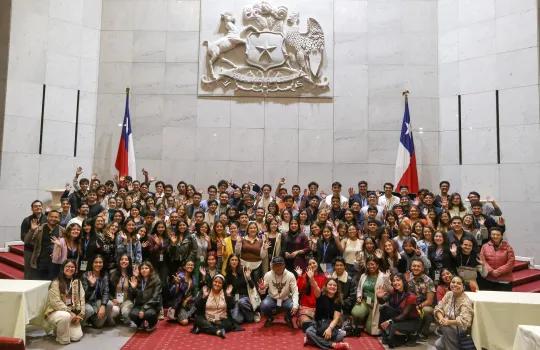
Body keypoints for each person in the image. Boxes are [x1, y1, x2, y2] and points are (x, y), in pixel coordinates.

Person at [44, 260, 85, 345]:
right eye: (67, 266)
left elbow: (82, 299)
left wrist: (80, 315)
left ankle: (59, 329)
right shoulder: (56, 282)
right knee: (65, 316)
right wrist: (70, 313)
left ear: (75, 269)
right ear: (63, 268)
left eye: (72, 267)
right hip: (55, 312)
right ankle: (62, 339)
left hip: (72, 313)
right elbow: (56, 303)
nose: (70, 268)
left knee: (76, 337)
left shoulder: (77, 282)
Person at [304, 278, 351, 350]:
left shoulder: (338, 300)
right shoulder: (320, 295)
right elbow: (315, 286)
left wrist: (329, 329)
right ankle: (333, 345)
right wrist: (311, 278)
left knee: (340, 336)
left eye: (334, 285)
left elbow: (336, 319)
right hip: (318, 324)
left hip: (331, 325)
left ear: (337, 288)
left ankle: (311, 341)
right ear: (326, 286)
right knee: (309, 331)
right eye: (330, 284)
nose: (332, 286)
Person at [377, 273, 421, 348]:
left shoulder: (411, 296)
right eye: (393, 281)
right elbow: (382, 302)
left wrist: (389, 321)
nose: (395, 282)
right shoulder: (393, 292)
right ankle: (385, 333)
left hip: (411, 321)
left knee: (391, 342)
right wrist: (379, 297)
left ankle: (411, 335)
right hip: (399, 317)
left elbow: (404, 315)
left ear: (403, 281)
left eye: (398, 280)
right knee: (383, 308)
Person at [351, 257, 391, 335]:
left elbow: (389, 291)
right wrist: (359, 297)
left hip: (376, 305)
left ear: (377, 265)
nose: (370, 266)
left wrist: (387, 280)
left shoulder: (383, 277)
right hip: (365, 301)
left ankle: (367, 320)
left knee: (372, 332)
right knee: (356, 312)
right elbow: (359, 288)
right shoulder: (364, 275)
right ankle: (363, 319)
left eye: (372, 264)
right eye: (368, 264)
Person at [434, 276, 474, 350]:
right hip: (448, 325)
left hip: (460, 328)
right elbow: (438, 307)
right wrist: (441, 318)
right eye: (453, 282)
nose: (455, 284)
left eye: (458, 283)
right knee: (438, 345)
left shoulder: (465, 301)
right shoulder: (449, 294)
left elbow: (465, 321)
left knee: (445, 328)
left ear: (463, 287)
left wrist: (448, 322)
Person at [258, 256, 299, 328]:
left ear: (284, 265)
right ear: (272, 266)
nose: (278, 267)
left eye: (280, 265)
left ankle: (288, 318)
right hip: (272, 298)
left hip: (285, 299)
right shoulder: (268, 275)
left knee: (294, 306)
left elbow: (295, 291)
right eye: (275, 265)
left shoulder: (290, 275)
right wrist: (261, 289)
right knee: (263, 305)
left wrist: (295, 305)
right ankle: (270, 318)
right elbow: (262, 292)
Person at [25, 210, 65, 280]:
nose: (53, 219)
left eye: (56, 217)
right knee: (40, 285)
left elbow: (65, 246)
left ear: (59, 219)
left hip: (56, 263)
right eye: (51, 216)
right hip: (41, 262)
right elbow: (27, 241)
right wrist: (32, 230)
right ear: (47, 217)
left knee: (53, 285)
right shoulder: (39, 229)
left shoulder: (62, 230)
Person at [81, 254, 113, 328]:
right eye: (96, 262)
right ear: (92, 263)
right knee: (89, 310)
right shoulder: (85, 275)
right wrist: (91, 286)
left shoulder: (105, 275)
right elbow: (84, 296)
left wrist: (103, 305)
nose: (98, 264)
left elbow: (106, 291)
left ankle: (95, 321)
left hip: (97, 302)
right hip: (87, 302)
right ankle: (81, 324)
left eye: (100, 262)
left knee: (109, 304)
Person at [129, 261, 162, 331]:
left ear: (150, 269)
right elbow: (133, 296)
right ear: (140, 270)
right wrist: (133, 288)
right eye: (142, 268)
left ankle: (152, 324)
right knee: (132, 314)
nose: (144, 270)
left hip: (152, 305)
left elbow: (155, 297)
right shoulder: (137, 279)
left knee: (148, 314)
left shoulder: (156, 280)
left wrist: (143, 309)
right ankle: (140, 323)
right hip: (139, 305)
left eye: (146, 268)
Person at [479, 227, 515, 291]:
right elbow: (482, 260)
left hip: (504, 281)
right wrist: (491, 271)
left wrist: (498, 271)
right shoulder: (485, 246)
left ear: (501, 236)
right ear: (490, 235)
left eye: (498, 235)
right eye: (493, 234)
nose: (495, 236)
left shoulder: (508, 247)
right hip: (488, 279)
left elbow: (511, 263)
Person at [296, 258, 326, 331]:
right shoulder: (303, 276)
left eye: (314, 263)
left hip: (319, 308)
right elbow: (298, 290)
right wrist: (299, 277)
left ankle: (315, 326)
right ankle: (315, 325)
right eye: (310, 264)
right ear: (307, 267)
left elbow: (322, 294)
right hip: (306, 308)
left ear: (317, 264)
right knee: (305, 323)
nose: (312, 265)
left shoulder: (323, 277)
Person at [225, 255, 257, 324]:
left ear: (238, 262)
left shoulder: (243, 271)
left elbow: (252, 286)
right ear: (229, 262)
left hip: (246, 298)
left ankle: (251, 316)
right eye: (232, 260)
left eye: (236, 260)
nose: (234, 261)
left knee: (241, 302)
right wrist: (229, 293)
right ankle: (243, 315)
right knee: (237, 319)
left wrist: (248, 278)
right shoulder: (228, 275)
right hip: (235, 298)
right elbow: (228, 292)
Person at [408, 258, 435, 338]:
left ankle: (424, 331)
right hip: (411, 304)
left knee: (426, 311)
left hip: (423, 305)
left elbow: (429, 301)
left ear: (423, 268)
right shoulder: (407, 278)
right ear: (411, 267)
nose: (416, 268)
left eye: (418, 266)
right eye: (414, 266)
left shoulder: (428, 281)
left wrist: (417, 307)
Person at [21, 200, 47, 279]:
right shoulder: (26, 220)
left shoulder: (47, 219)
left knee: (41, 272)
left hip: (42, 250)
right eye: (35, 206)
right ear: (32, 209)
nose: (38, 207)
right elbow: (23, 237)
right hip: (30, 250)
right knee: (29, 271)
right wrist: (32, 231)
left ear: (42, 207)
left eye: (39, 206)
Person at [168, 260, 196, 325]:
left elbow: (193, 292)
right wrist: (177, 284)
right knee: (185, 322)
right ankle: (177, 315)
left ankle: (187, 315)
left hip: (189, 302)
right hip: (180, 304)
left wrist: (188, 298)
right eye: (188, 264)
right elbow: (172, 293)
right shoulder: (179, 276)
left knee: (199, 305)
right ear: (184, 266)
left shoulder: (193, 277)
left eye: (192, 265)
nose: (190, 266)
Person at [109, 254, 135, 324]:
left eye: (126, 259)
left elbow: (135, 294)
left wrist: (134, 287)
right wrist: (112, 299)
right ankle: (116, 317)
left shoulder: (132, 275)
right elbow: (107, 290)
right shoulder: (112, 273)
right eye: (122, 259)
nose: (124, 261)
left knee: (126, 314)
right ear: (119, 261)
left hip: (127, 301)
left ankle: (123, 316)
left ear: (129, 262)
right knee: (114, 312)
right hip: (115, 300)